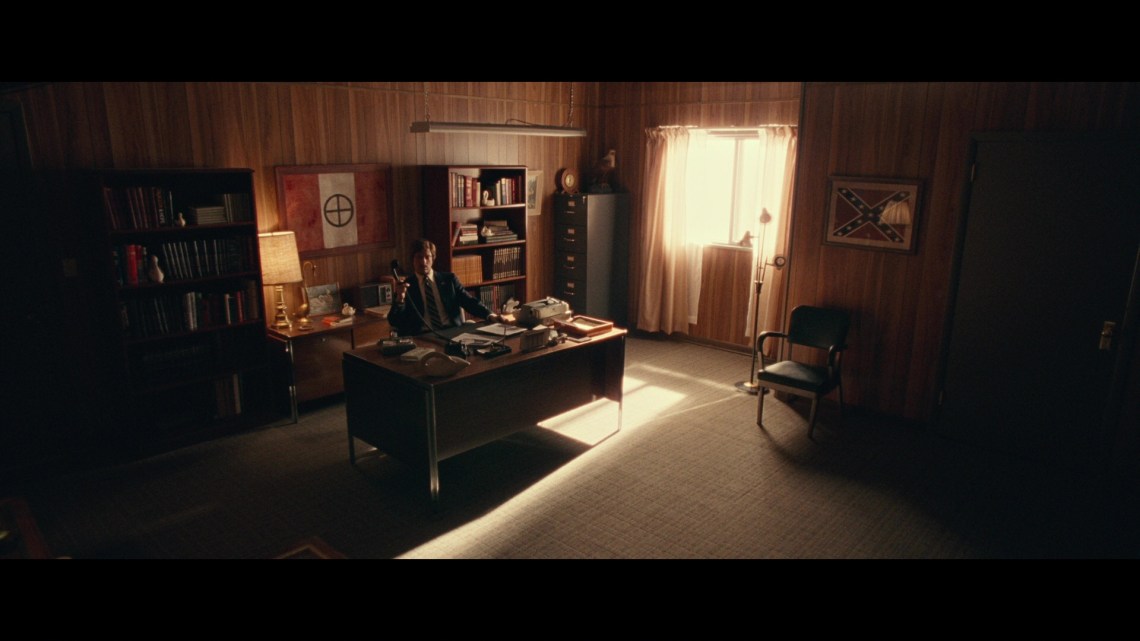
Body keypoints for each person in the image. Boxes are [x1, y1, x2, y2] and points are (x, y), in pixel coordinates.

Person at [387, 238, 505, 336]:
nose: (423, 262)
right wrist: (400, 298)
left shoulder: (449, 280)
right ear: (412, 259)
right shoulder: (406, 286)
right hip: (424, 336)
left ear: (433, 258)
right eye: (419, 257)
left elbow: (469, 301)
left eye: (427, 257)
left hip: (453, 331)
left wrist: (489, 315)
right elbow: (394, 321)